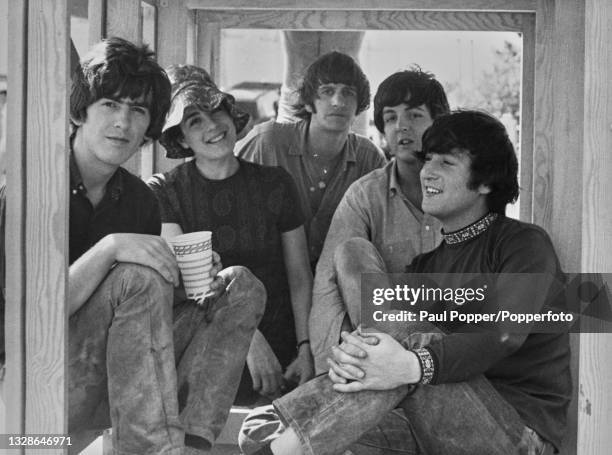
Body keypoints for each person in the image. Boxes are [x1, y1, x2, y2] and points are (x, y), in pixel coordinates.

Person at [240, 111, 572, 455]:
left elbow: (503, 335)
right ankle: (280, 446)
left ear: (486, 181)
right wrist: (353, 359)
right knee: (260, 430)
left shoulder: (523, 244)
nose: (427, 171)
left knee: (408, 338)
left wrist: (412, 364)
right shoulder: (425, 267)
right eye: (428, 159)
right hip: (436, 426)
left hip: (516, 435)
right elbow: (389, 352)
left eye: (446, 162)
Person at [1, 37, 266, 454]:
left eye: (137, 110)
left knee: (239, 286)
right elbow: (22, 320)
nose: (123, 122)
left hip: (119, 381)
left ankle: (192, 444)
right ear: (79, 111)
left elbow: (137, 315)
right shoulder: (28, 187)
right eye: (110, 104)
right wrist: (110, 248)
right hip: (29, 390)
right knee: (135, 277)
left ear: (150, 128)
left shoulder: (140, 200)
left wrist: (193, 283)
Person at [148, 65, 314, 405]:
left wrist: (307, 347)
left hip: (286, 349)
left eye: (215, 110)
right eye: (194, 120)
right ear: (180, 138)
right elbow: (197, 290)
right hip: (208, 347)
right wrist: (248, 342)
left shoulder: (276, 183)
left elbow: (299, 275)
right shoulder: (165, 193)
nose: (212, 125)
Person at [310, 68, 450, 374]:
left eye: (414, 116)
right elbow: (327, 284)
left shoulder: (466, 191)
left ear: (438, 123)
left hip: (446, 355)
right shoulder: (364, 195)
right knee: (351, 251)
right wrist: (333, 361)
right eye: (390, 118)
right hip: (378, 355)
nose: (402, 127)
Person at [236, 51, 386, 268]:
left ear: (359, 105)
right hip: (268, 277)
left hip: (338, 281)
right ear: (308, 103)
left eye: (348, 93)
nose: (338, 101)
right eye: (327, 91)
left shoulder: (369, 158)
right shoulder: (267, 143)